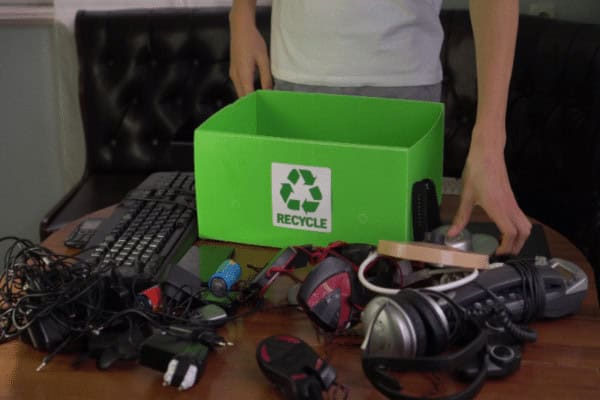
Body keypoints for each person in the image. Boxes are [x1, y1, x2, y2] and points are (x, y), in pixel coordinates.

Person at [229, 0, 531, 255]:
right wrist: (241, 14)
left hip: (402, 90)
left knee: (399, 271)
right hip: (295, 79)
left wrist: (490, 143)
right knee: (298, 259)